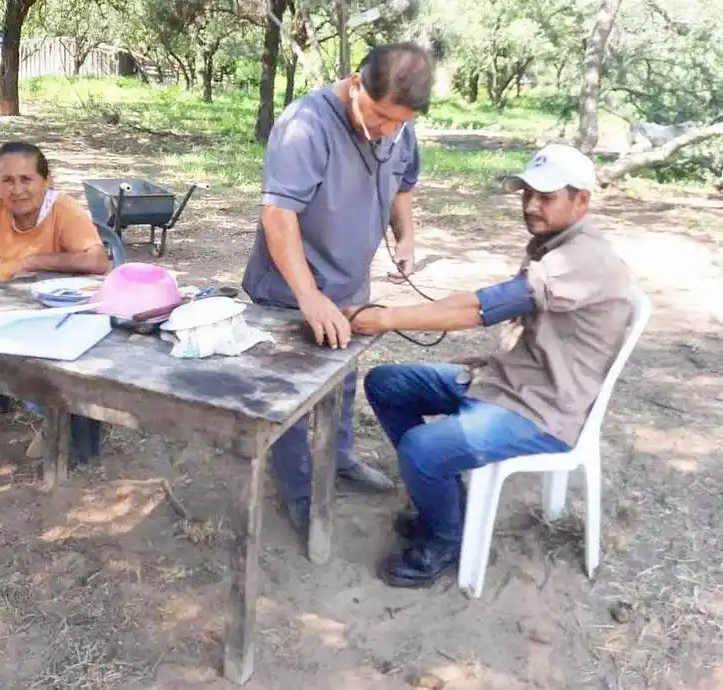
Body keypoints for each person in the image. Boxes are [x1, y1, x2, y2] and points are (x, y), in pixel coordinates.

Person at [346, 144, 633, 588]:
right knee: (387, 383)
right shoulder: (552, 243)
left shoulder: (583, 258)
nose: (531, 206)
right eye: (526, 194)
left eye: (546, 197)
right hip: (507, 383)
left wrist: (385, 317)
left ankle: (447, 538)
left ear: (582, 200)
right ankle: (446, 499)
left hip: (542, 410)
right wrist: (494, 358)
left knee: (421, 449)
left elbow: (486, 307)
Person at [241, 42, 435, 534]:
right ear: (354, 83)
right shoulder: (305, 125)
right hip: (290, 288)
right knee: (290, 393)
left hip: (349, 284)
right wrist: (308, 296)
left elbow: (403, 185)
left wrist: (405, 236)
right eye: (378, 117)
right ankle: (301, 493)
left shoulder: (399, 128)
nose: (385, 132)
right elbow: (278, 215)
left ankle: (338, 459)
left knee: (342, 379)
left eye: (398, 123)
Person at [0, 141, 109, 455]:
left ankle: (63, 424)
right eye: (8, 181)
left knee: (36, 381)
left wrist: (35, 262)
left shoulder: (63, 210)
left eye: (26, 179)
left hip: (48, 319)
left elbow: (97, 261)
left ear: (46, 181)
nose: (17, 190)